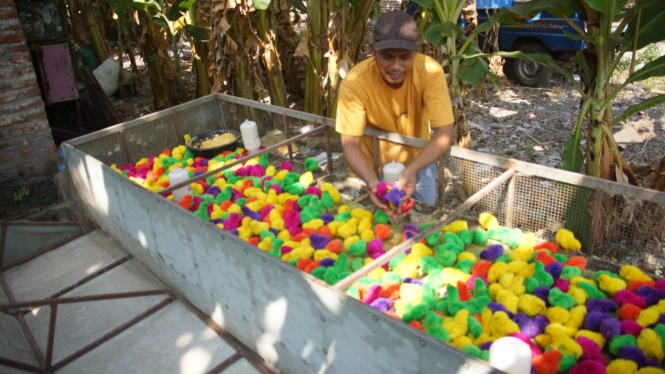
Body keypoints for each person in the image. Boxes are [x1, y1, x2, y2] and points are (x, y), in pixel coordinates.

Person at [335, 11, 454, 214]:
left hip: (421, 162)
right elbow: (350, 144)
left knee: (422, 216)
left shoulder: (430, 72)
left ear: (417, 52)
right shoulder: (355, 83)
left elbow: (444, 132)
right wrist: (373, 183)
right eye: (387, 57)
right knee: (387, 218)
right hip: (376, 167)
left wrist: (413, 169)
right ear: (373, 50)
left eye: (405, 57)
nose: (396, 66)